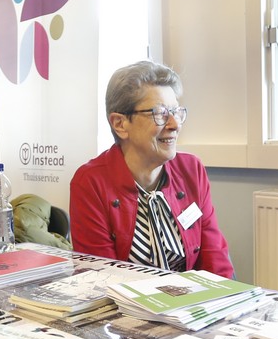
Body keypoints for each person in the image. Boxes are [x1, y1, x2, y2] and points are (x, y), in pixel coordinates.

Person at [69, 61, 232, 277]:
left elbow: (216, 262)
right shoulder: (91, 182)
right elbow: (101, 278)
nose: (175, 124)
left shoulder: (191, 170)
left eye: (176, 112)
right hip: (125, 298)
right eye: (160, 113)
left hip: (192, 297)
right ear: (120, 124)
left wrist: (225, 297)